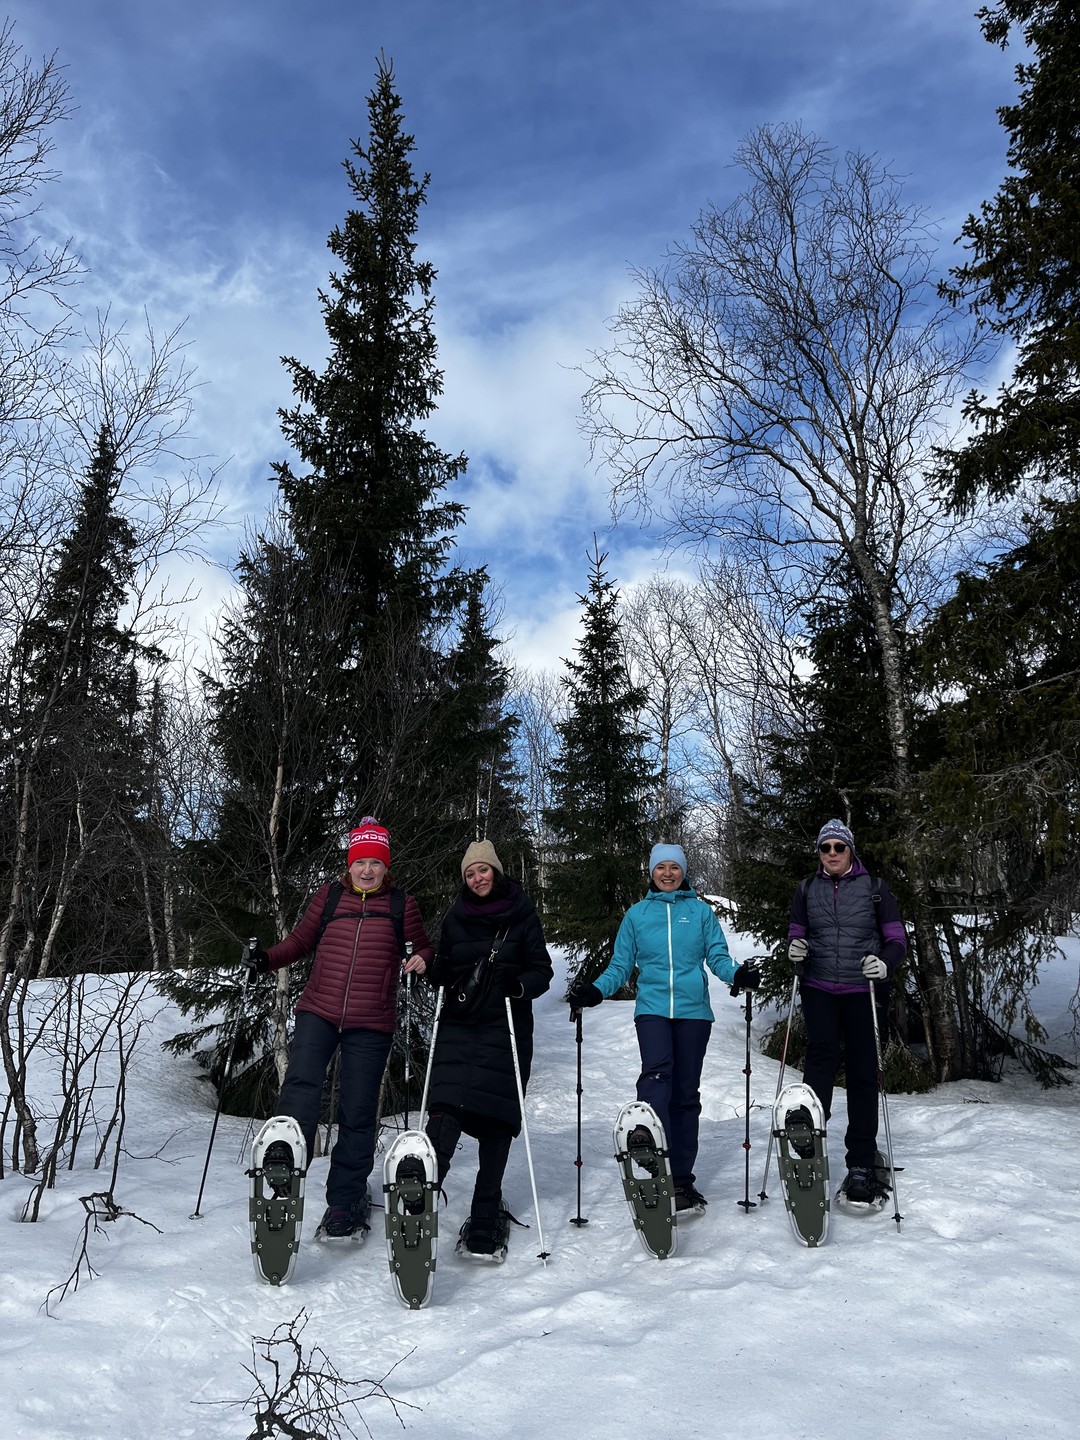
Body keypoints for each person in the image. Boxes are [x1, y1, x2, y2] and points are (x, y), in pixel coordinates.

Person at [249, 816, 432, 1237]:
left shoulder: (403, 905)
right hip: (319, 1010)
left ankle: (345, 1203)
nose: (367, 870)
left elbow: (423, 947)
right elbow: (298, 942)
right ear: (348, 865)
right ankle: (284, 1168)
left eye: (376, 863)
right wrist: (265, 959)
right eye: (360, 862)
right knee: (301, 1084)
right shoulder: (328, 898)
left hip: (372, 1021)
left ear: (387, 868)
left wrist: (424, 959)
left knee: (358, 1112)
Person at [567, 842, 758, 1212]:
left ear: (683, 872)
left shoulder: (700, 913)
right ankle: (651, 1145)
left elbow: (717, 956)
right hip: (652, 1009)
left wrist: (737, 973)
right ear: (651, 873)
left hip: (693, 1013)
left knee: (686, 1095)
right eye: (661, 868)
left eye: (674, 867)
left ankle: (682, 1182)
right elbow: (620, 966)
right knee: (656, 1075)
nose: (668, 873)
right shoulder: (636, 915)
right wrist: (594, 991)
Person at [421, 839, 553, 1258]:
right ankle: (419, 1193)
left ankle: (483, 1218)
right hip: (460, 1024)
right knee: (445, 1106)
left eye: (483, 870)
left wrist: (520, 986)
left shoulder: (522, 915)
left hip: (506, 1027)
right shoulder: (455, 916)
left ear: (496, 872)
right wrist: (431, 968)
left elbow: (542, 970)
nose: (477, 878)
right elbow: (445, 966)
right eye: (469, 873)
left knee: (497, 1118)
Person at [786, 818, 908, 1204]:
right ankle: (808, 1137)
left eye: (839, 847)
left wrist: (886, 962)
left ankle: (860, 1162)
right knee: (820, 1056)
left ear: (851, 850)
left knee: (862, 1072)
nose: (833, 854)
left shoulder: (875, 888)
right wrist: (796, 951)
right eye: (826, 848)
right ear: (819, 853)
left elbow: (896, 936)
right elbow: (796, 933)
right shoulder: (806, 889)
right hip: (819, 985)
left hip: (864, 988)